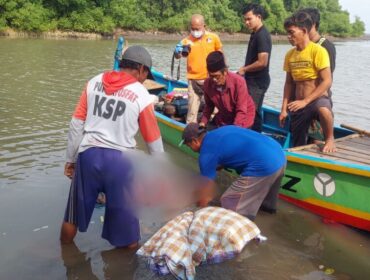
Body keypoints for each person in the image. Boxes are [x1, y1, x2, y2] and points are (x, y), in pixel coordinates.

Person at [60, 45, 164, 248]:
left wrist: (70, 160)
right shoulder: (140, 94)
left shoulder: (94, 82)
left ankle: (65, 259)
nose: (145, 79)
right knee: (128, 233)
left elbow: (76, 124)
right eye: (146, 74)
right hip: (120, 163)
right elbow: (153, 139)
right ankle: (122, 270)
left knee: (71, 216)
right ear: (141, 69)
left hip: (88, 156)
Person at [182, 123, 286, 220]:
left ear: (194, 141)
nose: (191, 149)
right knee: (265, 206)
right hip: (279, 154)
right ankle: (267, 221)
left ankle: (243, 232)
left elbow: (205, 195)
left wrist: (198, 212)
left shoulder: (206, 154)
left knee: (229, 201)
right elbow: (231, 151)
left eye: (188, 145)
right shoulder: (222, 131)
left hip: (264, 164)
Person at [279, 12, 336, 153]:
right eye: (287, 33)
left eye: (291, 32)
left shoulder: (318, 51)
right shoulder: (290, 55)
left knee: (324, 110)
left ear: (304, 31)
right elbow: (289, 84)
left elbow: (327, 80)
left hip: (317, 99)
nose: (288, 36)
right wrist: (284, 109)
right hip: (298, 103)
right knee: (298, 143)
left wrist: (306, 101)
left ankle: (330, 139)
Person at [174, 14, 223, 124]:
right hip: (193, 81)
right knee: (192, 111)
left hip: (210, 79)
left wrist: (223, 73)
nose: (195, 31)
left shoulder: (213, 38)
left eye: (198, 28)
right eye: (193, 29)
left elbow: (221, 55)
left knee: (215, 108)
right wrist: (177, 52)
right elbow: (178, 56)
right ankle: (190, 131)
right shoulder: (186, 41)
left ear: (204, 26)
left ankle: (214, 127)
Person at [238, 4, 272, 132]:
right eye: (245, 19)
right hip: (252, 80)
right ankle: (254, 135)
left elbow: (262, 62)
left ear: (259, 17)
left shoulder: (262, 35)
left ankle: (253, 137)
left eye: (249, 19)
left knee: (252, 111)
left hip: (258, 82)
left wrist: (245, 69)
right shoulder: (255, 33)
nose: (246, 22)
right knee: (254, 110)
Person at [200, 51, 255, 129]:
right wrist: (203, 123)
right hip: (225, 116)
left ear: (225, 72)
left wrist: (233, 131)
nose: (214, 79)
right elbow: (209, 106)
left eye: (217, 76)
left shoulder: (239, 82)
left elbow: (241, 111)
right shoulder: (207, 84)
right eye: (211, 76)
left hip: (244, 116)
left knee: (234, 138)